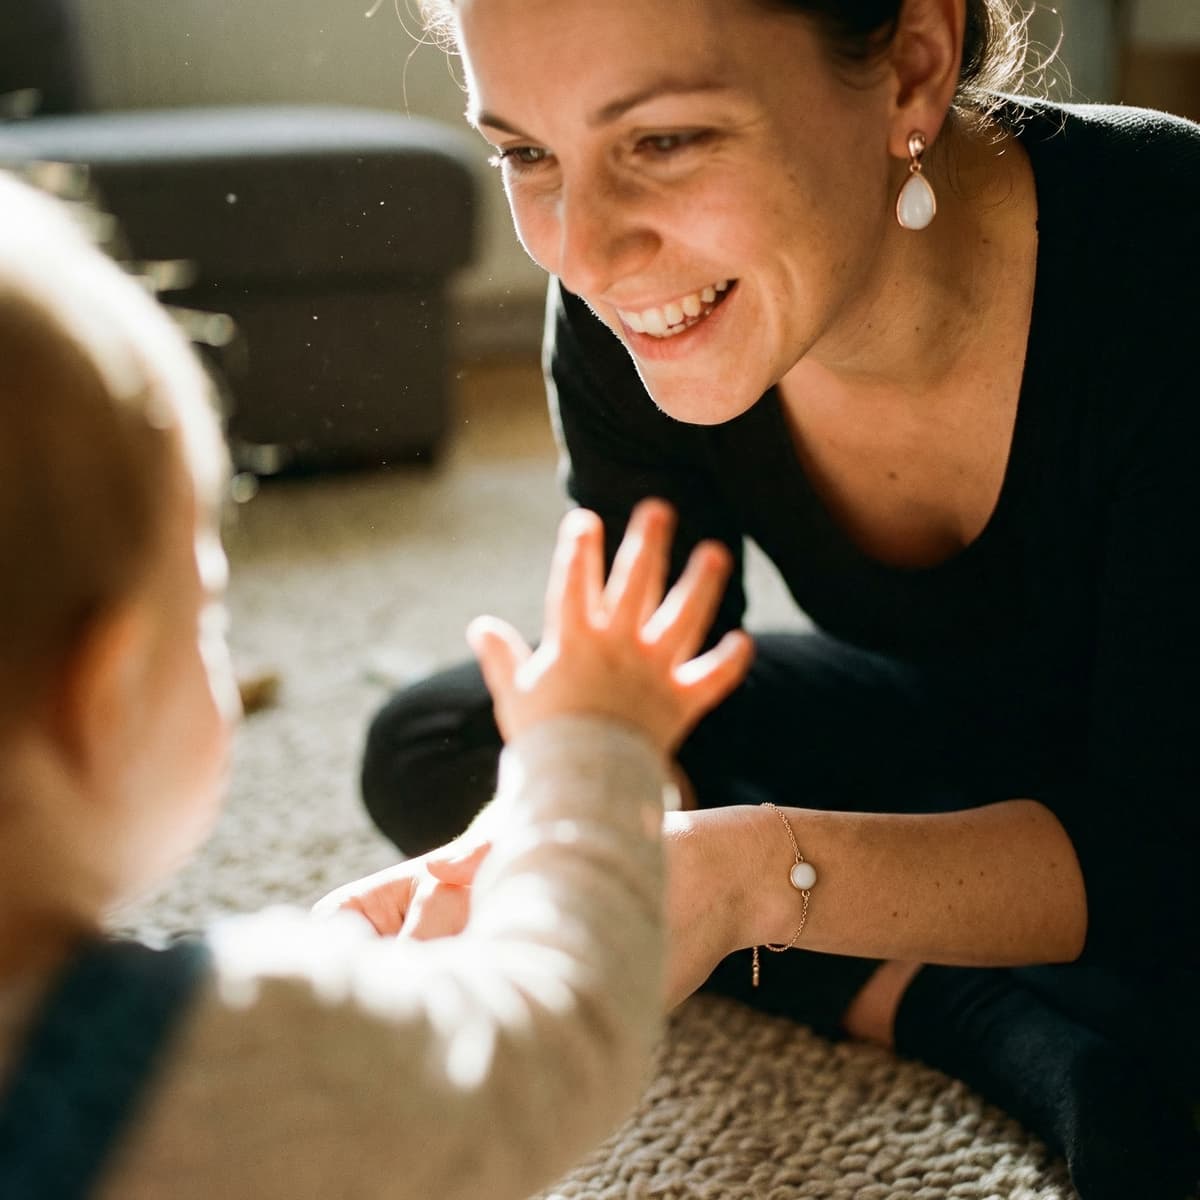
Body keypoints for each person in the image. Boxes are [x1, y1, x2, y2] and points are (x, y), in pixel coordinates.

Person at [354, 1, 1200, 1196]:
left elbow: (1158, 844)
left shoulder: (1171, 259)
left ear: (913, 67)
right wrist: (551, 836)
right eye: (527, 153)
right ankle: (971, 1009)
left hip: (1175, 801)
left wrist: (759, 878)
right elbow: (650, 694)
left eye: (662, 142)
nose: (584, 253)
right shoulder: (636, 317)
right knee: (451, 741)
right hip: (967, 731)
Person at [0, 171, 753, 1199]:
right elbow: (555, 1037)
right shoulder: (201, 1058)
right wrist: (587, 754)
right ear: (106, 692)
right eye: (210, 612)